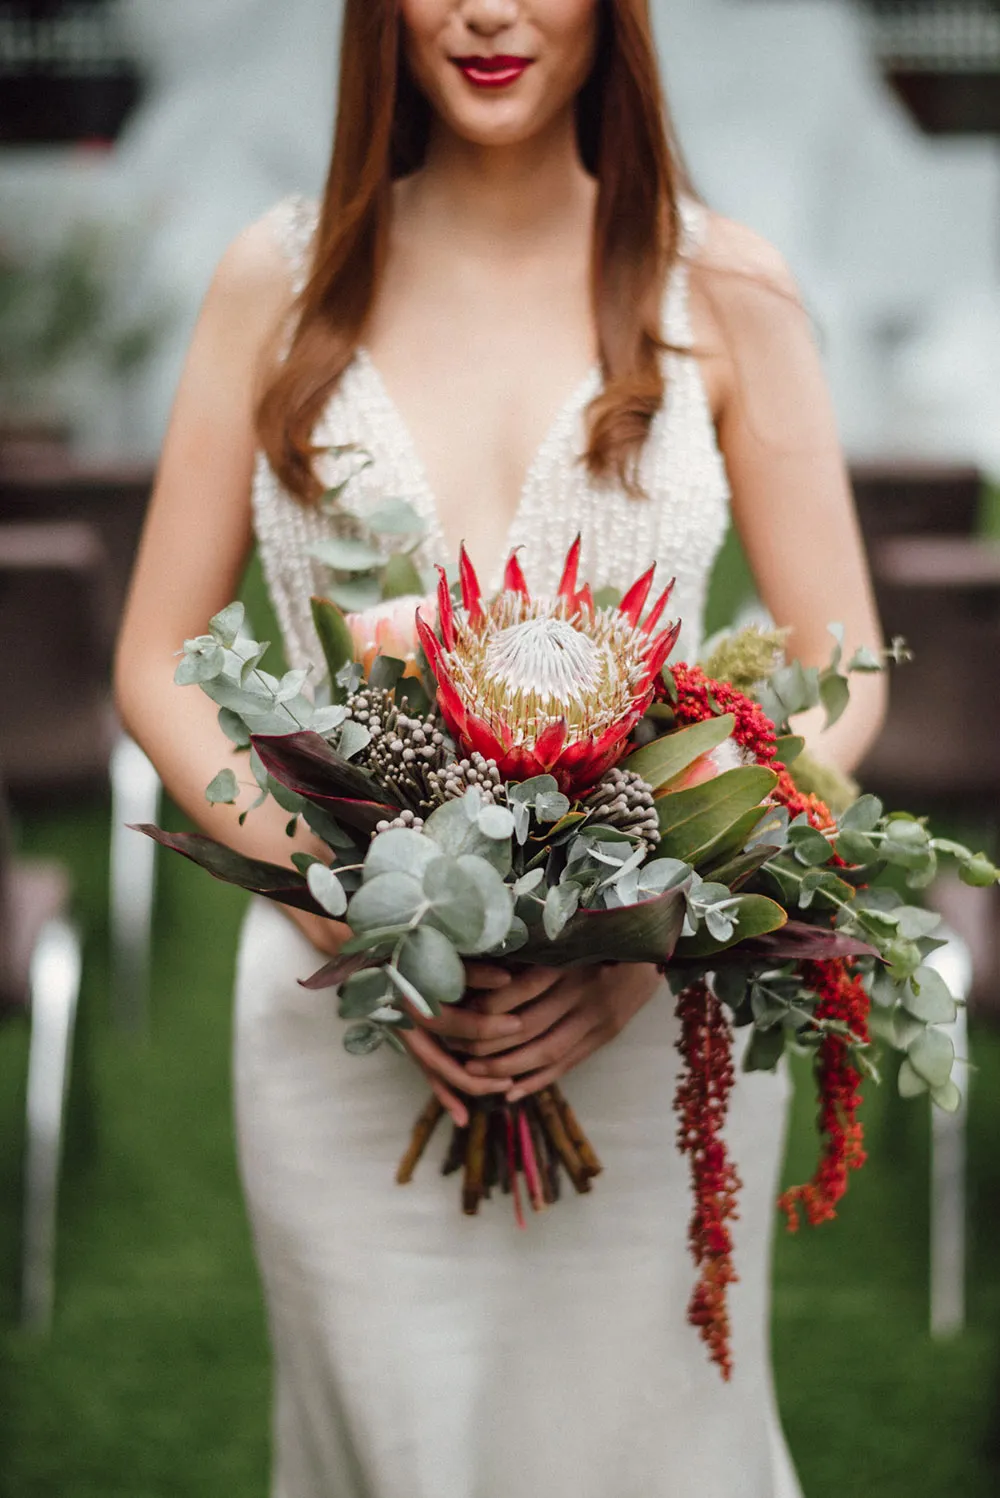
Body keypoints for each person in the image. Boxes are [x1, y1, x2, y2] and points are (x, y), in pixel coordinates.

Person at [115, 2, 886, 1494]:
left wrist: (646, 931)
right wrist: (355, 911)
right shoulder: (275, 279)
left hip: (649, 1038)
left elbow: (838, 668)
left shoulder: (726, 286)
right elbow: (156, 655)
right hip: (343, 1026)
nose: (485, 9)